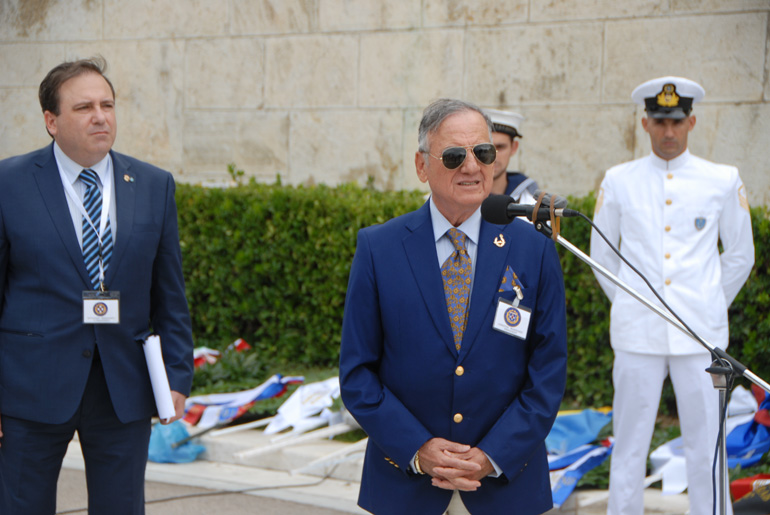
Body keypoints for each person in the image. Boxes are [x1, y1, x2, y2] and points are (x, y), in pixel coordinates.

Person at [339, 98, 568, 515]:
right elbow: (357, 374)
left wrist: (492, 455)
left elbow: (548, 372)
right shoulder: (379, 248)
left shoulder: (533, 249)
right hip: (405, 487)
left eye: (483, 152)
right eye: (454, 156)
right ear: (422, 166)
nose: (471, 166)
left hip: (506, 488)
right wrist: (417, 448)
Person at [0, 57, 194, 514]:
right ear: (51, 121)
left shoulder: (153, 185)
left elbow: (169, 293)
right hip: (30, 386)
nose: (100, 116)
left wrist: (176, 374)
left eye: (107, 105)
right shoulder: (9, 184)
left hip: (122, 384)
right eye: (84, 107)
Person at [590, 76, 755, 515]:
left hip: (699, 335)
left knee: (707, 444)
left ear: (692, 122)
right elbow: (602, 256)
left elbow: (740, 256)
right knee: (630, 443)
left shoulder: (722, 179)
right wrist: (634, 302)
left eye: (677, 122)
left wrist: (705, 302)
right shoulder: (619, 181)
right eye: (660, 121)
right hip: (637, 333)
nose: (668, 131)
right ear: (645, 123)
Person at [484, 108, 539, 202]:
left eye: (500, 147)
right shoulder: (459, 200)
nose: (493, 156)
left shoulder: (530, 199)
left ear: (514, 147)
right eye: (486, 148)